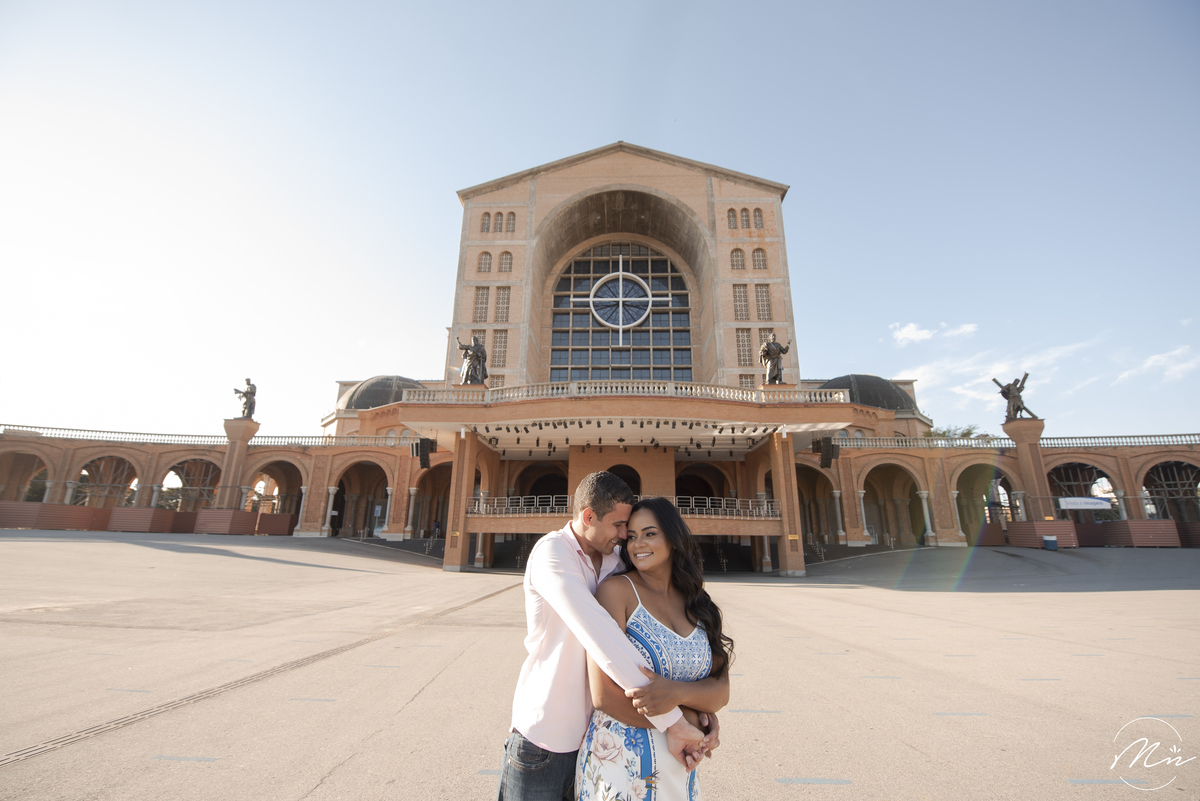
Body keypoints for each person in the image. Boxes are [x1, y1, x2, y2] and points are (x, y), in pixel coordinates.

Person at [497, 472, 715, 801]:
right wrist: (673, 719)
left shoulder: (614, 560)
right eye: (617, 525)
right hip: (546, 738)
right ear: (588, 516)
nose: (624, 534)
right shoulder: (553, 554)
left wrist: (696, 710)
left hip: (598, 740)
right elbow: (601, 634)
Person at [577, 496, 733, 801]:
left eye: (649, 534)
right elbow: (603, 695)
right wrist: (688, 720)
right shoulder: (616, 592)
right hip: (620, 763)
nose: (637, 544)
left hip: (681, 764)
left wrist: (677, 695)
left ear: (673, 539)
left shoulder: (698, 603)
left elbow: (721, 691)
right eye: (631, 537)